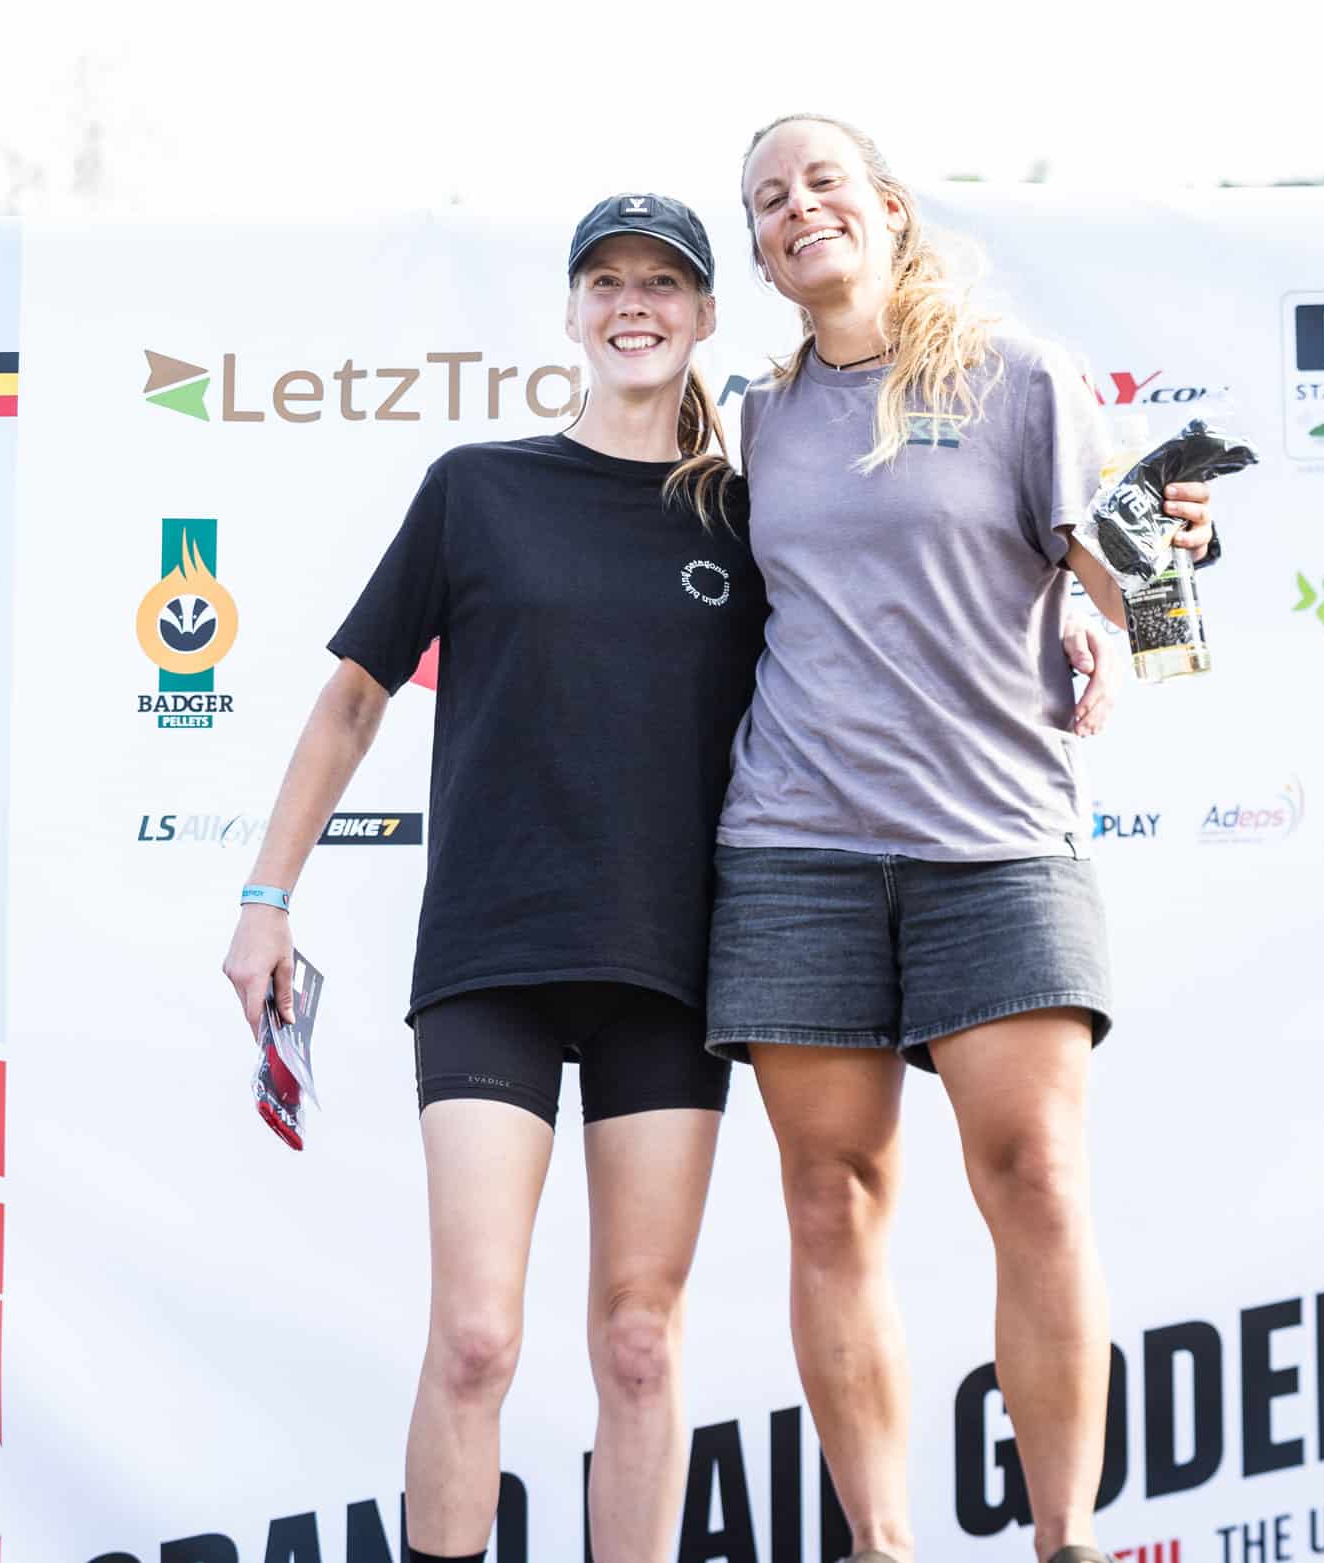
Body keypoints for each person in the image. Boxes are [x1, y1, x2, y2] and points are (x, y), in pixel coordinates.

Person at [219, 193, 767, 1563]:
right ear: (574, 311)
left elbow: (907, 609)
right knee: (475, 1339)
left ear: (706, 315)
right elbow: (352, 703)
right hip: (491, 955)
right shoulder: (477, 488)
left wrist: (1093, 611)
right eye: (607, 281)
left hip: (674, 968)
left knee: (640, 1344)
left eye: (662, 282)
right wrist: (265, 899)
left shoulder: (750, 516)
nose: (633, 304)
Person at [704, 115, 1218, 1563]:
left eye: (823, 182)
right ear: (760, 255)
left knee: (1036, 1182)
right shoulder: (752, 416)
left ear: (888, 208)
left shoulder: (1018, 378)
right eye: (768, 199)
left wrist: (1161, 569)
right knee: (831, 1201)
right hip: (794, 851)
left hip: (996, 845)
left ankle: (1067, 1539)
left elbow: (1137, 596)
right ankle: (879, 1545)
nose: (798, 208)